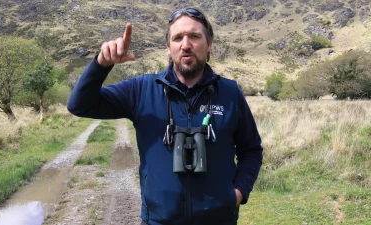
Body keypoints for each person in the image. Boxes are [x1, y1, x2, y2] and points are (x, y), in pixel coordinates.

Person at [67, 7, 263, 225]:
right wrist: (101, 65)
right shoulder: (142, 89)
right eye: (178, 38)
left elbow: (251, 150)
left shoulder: (230, 93)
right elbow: (79, 105)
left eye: (195, 36)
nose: (186, 45)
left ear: (209, 45)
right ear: (168, 48)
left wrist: (237, 193)